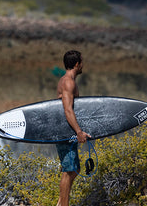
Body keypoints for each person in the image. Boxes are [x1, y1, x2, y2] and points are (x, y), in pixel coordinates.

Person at [55, 50, 92, 206]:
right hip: (65, 130)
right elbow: (68, 109)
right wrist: (78, 131)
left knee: (73, 169)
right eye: (81, 62)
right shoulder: (68, 82)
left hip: (66, 129)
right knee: (69, 170)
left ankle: (60, 203)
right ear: (77, 64)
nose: (83, 64)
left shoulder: (66, 80)